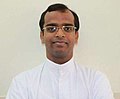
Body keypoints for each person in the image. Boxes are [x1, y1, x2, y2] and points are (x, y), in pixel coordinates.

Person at [6, 3, 114, 99]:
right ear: (42, 35)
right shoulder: (22, 83)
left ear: (76, 36)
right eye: (51, 28)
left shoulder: (96, 81)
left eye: (67, 28)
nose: (59, 34)